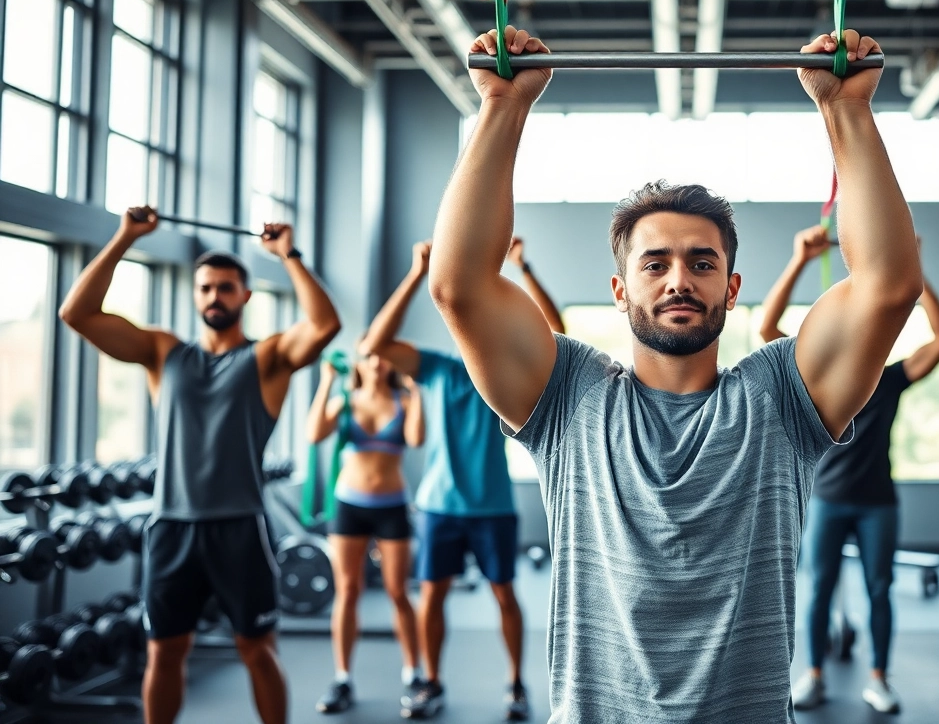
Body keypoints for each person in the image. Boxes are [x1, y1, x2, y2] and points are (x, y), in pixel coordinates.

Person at [428, 24, 922, 723]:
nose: (679, 280)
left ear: (732, 287)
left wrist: (847, 110)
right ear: (620, 289)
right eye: (655, 264)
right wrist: (502, 107)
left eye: (702, 262)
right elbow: (459, 286)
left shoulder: (780, 398)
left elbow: (888, 286)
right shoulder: (570, 396)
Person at [59, 209, 341, 724]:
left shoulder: (267, 359)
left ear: (245, 296)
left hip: (240, 528)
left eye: (226, 288)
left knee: (257, 650)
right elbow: (76, 314)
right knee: (165, 652)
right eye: (206, 288)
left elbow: (325, 326)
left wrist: (289, 256)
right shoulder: (162, 352)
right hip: (171, 528)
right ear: (195, 295)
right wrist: (125, 237)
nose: (215, 296)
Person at [359, 236, 566, 721]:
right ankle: (430, 681)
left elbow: (559, 335)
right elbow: (373, 345)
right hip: (439, 506)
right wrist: (417, 273)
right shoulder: (437, 369)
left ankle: (516, 684)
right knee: (432, 595)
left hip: (492, 506)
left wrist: (524, 267)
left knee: (504, 595)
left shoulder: (506, 372)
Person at [760, 229, 939, 713]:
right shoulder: (816, 377)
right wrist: (800, 259)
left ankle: (879, 679)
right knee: (818, 590)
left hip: (877, 503)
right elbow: (766, 327)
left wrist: (914, 267)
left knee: (879, 590)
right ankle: (814, 675)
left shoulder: (890, 379)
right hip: (826, 499)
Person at [306, 345, 425, 714]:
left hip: (392, 506)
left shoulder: (404, 401)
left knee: (398, 591)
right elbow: (313, 433)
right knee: (347, 590)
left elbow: (417, 439)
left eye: (383, 355)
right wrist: (326, 382)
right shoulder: (345, 401)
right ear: (359, 362)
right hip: (350, 505)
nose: (376, 362)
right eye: (370, 355)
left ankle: (414, 673)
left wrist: (416, 390)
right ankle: (342, 678)